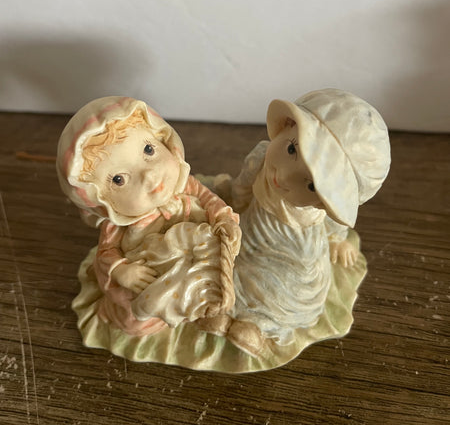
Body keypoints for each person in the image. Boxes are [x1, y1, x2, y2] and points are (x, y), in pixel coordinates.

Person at [199, 89, 390, 356]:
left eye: (311, 185)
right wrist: (233, 207)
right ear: (289, 125)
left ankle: (258, 323)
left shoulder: (321, 213)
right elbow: (242, 186)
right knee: (229, 262)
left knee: (289, 289)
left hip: (296, 252)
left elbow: (334, 224)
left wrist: (337, 240)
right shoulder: (261, 158)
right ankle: (225, 308)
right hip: (254, 230)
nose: (283, 177)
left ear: (327, 202)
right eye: (291, 149)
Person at [56, 96, 240, 337]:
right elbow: (107, 252)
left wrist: (222, 217)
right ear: (102, 202)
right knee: (136, 322)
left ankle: (200, 308)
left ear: (164, 139)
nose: (149, 176)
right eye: (119, 179)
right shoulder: (120, 225)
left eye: (148, 150)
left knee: (220, 280)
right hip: (155, 278)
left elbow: (209, 199)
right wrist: (121, 270)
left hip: (195, 261)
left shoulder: (185, 185)